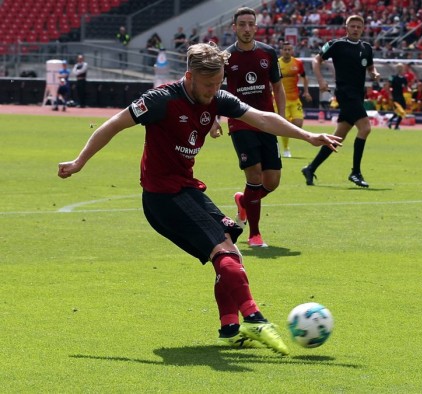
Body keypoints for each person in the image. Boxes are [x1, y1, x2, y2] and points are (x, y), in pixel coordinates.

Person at [57, 42, 342, 356]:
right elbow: (113, 125)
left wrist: (309, 135)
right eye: (208, 85)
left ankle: (231, 330)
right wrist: (79, 161)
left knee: (233, 252)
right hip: (162, 197)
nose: (214, 90)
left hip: (187, 190)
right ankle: (255, 318)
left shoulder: (217, 97)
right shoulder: (160, 100)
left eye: (219, 83)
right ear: (189, 76)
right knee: (225, 254)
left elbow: (260, 118)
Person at [224, 7, 286, 248]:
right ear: (234, 28)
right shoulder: (226, 57)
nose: (247, 28)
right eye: (242, 24)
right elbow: (216, 92)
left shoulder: (268, 53)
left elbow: (278, 88)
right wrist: (214, 122)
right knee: (254, 175)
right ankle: (254, 234)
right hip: (240, 122)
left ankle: (245, 201)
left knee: (272, 181)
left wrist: (281, 119)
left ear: (256, 27)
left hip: (267, 122)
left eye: (251, 24)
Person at [302, 15, 380, 188]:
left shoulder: (366, 47)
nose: (355, 29)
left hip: (358, 94)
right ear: (346, 27)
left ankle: (310, 168)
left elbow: (370, 65)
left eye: (359, 26)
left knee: (338, 137)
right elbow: (316, 60)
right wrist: (321, 80)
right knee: (365, 128)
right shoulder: (336, 44)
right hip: (345, 93)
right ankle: (355, 172)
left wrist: (374, 73)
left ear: (363, 28)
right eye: (352, 26)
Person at [278, 41, 312, 158]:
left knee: (298, 123)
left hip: (294, 98)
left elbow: (304, 77)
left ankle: (281, 134)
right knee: (284, 124)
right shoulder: (276, 64)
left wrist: (306, 91)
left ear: (292, 51)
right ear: (281, 51)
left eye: (289, 49)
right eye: (285, 49)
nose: (287, 52)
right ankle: (285, 148)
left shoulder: (298, 63)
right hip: (280, 99)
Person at [387, 63, 408, 130]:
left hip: (401, 96)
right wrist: (390, 95)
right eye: (399, 68)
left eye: (401, 68)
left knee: (402, 110)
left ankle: (395, 125)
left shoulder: (404, 78)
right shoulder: (392, 77)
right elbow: (388, 86)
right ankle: (390, 122)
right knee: (399, 110)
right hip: (395, 96)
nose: (400, 69)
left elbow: (406, 87)